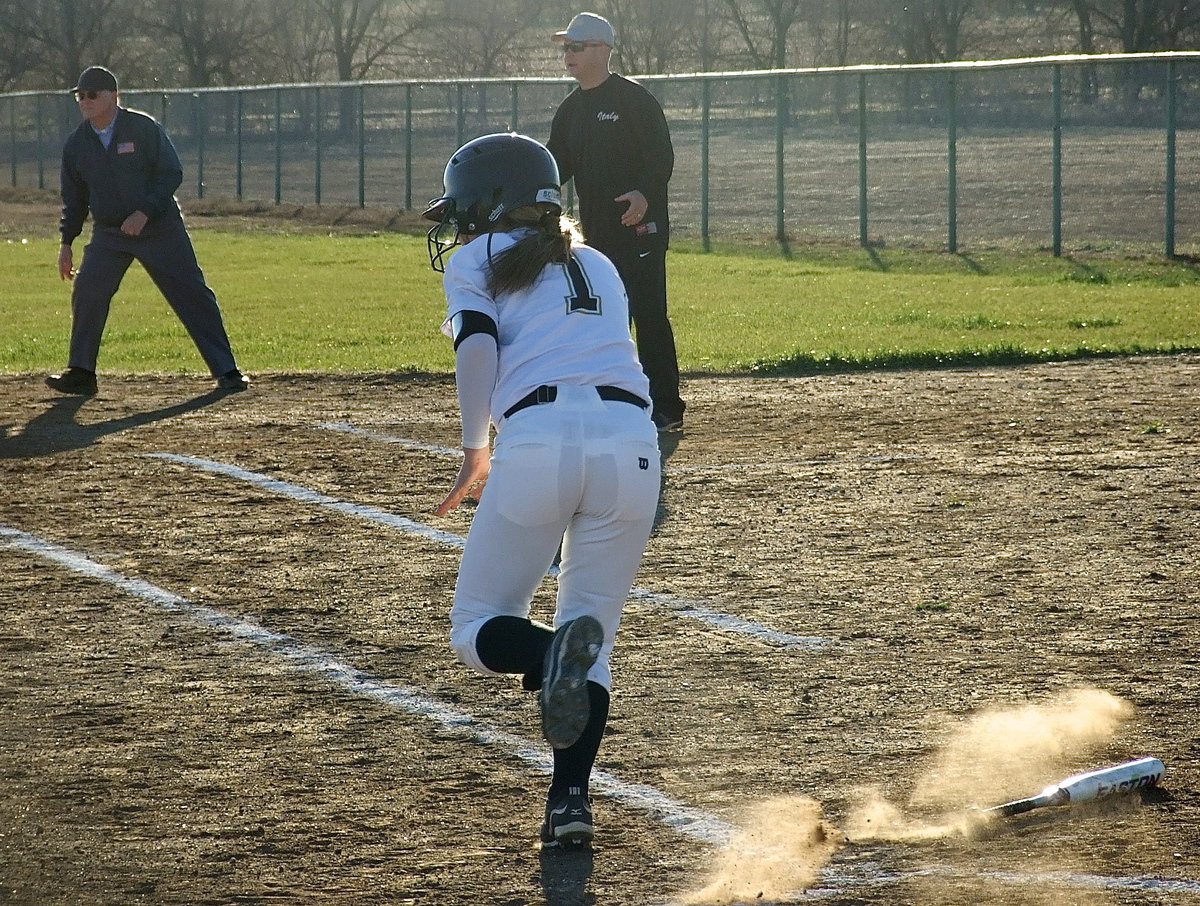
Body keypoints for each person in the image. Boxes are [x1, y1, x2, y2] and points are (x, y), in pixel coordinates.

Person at [424, 133, 661, 847]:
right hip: (633, 445)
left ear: (491, 201)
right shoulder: (598, 262)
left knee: (477, 626)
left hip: (542, 438)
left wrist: (474, 446)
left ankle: (548, 657)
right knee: (593, 640)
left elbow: (477, 346)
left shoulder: (478, 258)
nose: (458, 223)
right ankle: (569, 803)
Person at [48, 66, 248, 397]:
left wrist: (144, 212)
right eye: (79, 96)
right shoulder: (77, 145)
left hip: (160, 228)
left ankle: (227, 370)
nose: (84, 101)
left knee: (192, 294)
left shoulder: (142, 127)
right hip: (111, 234)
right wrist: (67, 243)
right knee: (89, 290)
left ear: (113, 96)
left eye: (91, 95)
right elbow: (74, 200)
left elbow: (171, 173)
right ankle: (82, 372)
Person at [547, 11, 685, 432]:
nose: (568, 55)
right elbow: (555, 165)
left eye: (576, 47)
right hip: (597, 232)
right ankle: (616, 400)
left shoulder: (633, 100)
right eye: (566, 48)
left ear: (602, 50)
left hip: (640, 227)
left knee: (648, 313)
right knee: (606, 318)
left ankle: (665, 407)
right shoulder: (571, 110)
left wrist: (644, 193)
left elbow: (661, 156)